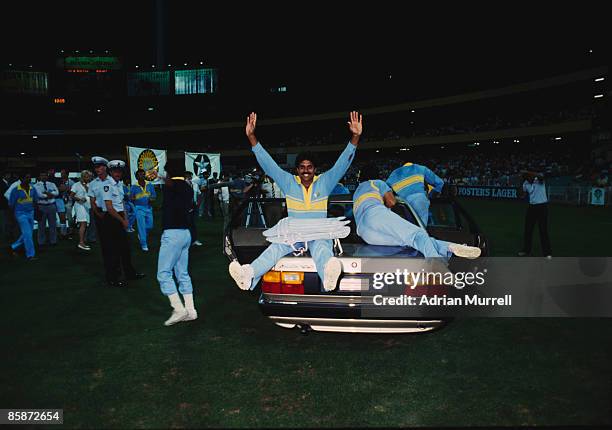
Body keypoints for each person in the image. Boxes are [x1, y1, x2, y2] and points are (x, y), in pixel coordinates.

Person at [229, 111, 362, 292]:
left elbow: (342, 165)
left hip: (318, 231)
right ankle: (248, 274)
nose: (305, 170)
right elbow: (269, 165)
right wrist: (252, 137)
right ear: (297, 169)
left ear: (315, 169)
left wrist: (355, 137)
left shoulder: (325, 181)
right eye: (302, 167)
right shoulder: (288, 182)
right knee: (275, 249)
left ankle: (328, 277)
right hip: (294, 232)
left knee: (322, 248)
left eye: (309, 167)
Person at [353, 165, 481, 259]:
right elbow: (391, 202)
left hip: (364, 232)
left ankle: (450, 247)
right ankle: (438, 263)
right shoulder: (377, 182)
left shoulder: (356, 193)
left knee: (408, 240)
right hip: (377, 213)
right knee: (418, 235)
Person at [89, 157, 144, 287]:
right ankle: (112, 277)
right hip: (110, 217)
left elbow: (121, 203)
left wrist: (125, 219)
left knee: (125, 248)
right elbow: (108, 207)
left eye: (119, 171)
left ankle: (129, 273)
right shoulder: (107, 184)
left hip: (118, 216)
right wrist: (122, 220)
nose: (117, 173)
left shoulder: (118, 184)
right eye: (115, 171)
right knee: (110, 250)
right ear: (110, 172)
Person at [157, 160, 198, 326]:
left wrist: (161, 178)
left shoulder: (171, 185)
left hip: (172, 233)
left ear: (169, 173)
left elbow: (170, 183)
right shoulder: (187, 187)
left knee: (163, 273)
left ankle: (178, 309)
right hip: (186, 233)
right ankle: (191, 310)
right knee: (182, 273)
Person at [386, 161, 445, 226]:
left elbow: (386, 189)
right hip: (419, 199)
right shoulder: (420, 168)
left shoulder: (394, 173)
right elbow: (440, 182)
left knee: (410, 227)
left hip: (403, 203)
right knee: (421, 227)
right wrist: (431, 195)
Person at [518, 171, 552, 258]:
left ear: (531, 176)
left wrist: (528, 172)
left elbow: (541, 176)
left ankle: (547, 253)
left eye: (528, 178)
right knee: (528, 230)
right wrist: (522, 182)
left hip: (542, 207)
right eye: (526, 178)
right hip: (532, 207)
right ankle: (526, 250)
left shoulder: (539, 180)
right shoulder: (525, 183)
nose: (527, 180)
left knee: (543, 231)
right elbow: (521, 195)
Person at [9, 172, 39, 260]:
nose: (29, 179)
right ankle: (30, 255)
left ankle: (13, 247)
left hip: (31, 212)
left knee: (27, 234)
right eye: (27, 177)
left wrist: (36, 210)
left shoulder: (32, 188)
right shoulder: (15, 190)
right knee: (28, 234)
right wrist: (12, 216)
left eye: (29, 177)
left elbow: (35, 200)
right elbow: (11, 204)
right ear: (21, 179)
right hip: (20, 213)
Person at [130, 168, 156, 251]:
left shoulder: (150, 185)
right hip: (139, 208)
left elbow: (154, 196)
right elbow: (131, 197)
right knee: (141, 226)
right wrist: (134, 198)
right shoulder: (134, 186)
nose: (142, 176)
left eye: (143, 174)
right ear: (136, 177)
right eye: (139, 175)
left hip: (148, 208)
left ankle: (141, 235)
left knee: (150, 226)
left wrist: (151, 198)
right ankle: (144, 244)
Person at [32, 169, 59, 246]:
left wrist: (46, 193)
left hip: (51, 206)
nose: (43, 177)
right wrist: (50, 194)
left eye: (45, 175)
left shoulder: (52, 184)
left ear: (47, 176)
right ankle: (41, 241)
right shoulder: (36, 186)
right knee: (41, 225)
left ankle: (53, 241)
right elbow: (40, 195)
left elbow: (57, 193)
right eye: (42, 175)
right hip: (41, 206)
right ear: (39, 177)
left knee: (53, 224)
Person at [70, 170, 93, 251]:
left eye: (89, 177)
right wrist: (79, 199)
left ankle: (83, 241)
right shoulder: (76, 185)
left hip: (87, 205)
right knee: (83, 223)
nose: (88, 178)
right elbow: (71, 196)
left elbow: (90, 193)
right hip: (79, 205)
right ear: (82, 177)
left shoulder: (90, 185)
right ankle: (81, 242)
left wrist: (86, 187)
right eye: (86, 177)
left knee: (86, 223)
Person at [184, 171, 203, 246]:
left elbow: (199, 194)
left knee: (193, 224)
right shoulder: (183, 185)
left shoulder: (194, 184)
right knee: (186, 224)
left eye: (191, 176)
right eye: (189, 176)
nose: (190, 177)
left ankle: (194, 240)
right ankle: (187, 240)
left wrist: (197, 203)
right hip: (186, 207)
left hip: (193, 206)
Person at [55, 169, 74, 239]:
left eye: (63, 173)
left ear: (67, 174)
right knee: (61, 217)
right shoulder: (58, 181)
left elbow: (74, 192)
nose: (61, 175)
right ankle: (63, 231)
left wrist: (68, 190)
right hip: (60, 200)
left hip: (68, 201)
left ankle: (71, 229)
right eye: (61, 173)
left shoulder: (71, 182)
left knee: (69, 217)